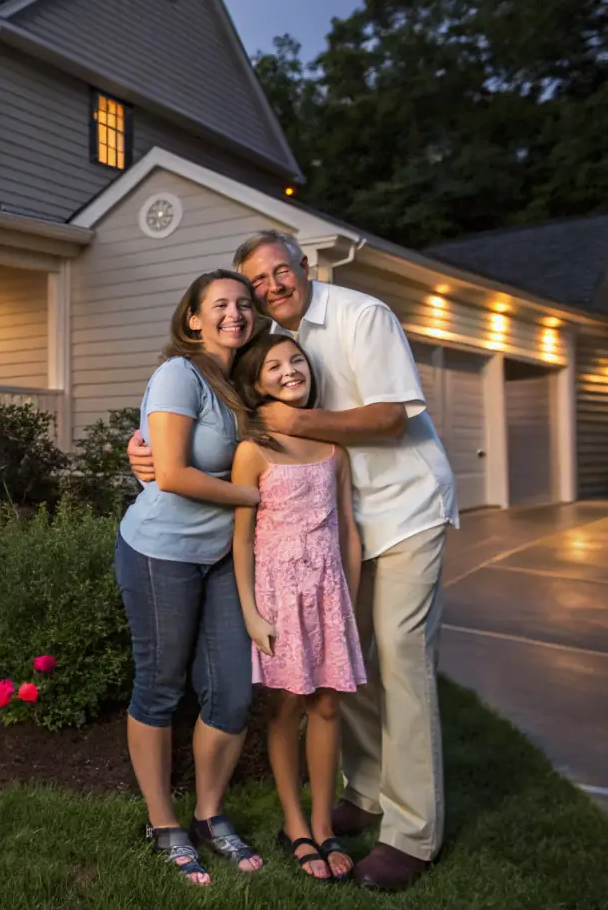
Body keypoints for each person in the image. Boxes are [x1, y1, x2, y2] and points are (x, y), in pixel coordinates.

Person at [128, 230, 457, 892]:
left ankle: (412, 831)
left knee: (398, 661)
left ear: (303, 267)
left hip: (401, 512)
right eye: (257, 282)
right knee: (349, 668)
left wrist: (293, 424)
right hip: (329, 534)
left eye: (282, 271)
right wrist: (146, 457)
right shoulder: (260, 348)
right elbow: (215, 430)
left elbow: (390, 418)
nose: (270, 287)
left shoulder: (360, 316)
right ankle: (364, 792)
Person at [115, 269, 266, 887]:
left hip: (223, 555)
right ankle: (162, 820)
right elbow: (172, 474)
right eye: (221, 304)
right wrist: (255, 497)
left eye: (245, 303)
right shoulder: (179, 373)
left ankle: (209, 812)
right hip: (161, 551)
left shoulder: (246, 381)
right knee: (160, 687)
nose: (237, 313)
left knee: (231, 693)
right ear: (193, 319)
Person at [231, 333, 366, 883]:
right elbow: (241, 540)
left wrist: (349, 607)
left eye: (296, 360)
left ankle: (321, 822)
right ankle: (294, 823)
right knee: (287, 708)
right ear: (257, 384)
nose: (290, 370)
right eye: (274, 366)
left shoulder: (334, 448)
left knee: (328, 708)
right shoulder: (253, 450)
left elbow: (349, 532)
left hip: (329, 594)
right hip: (278, 598)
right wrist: (250, 612)